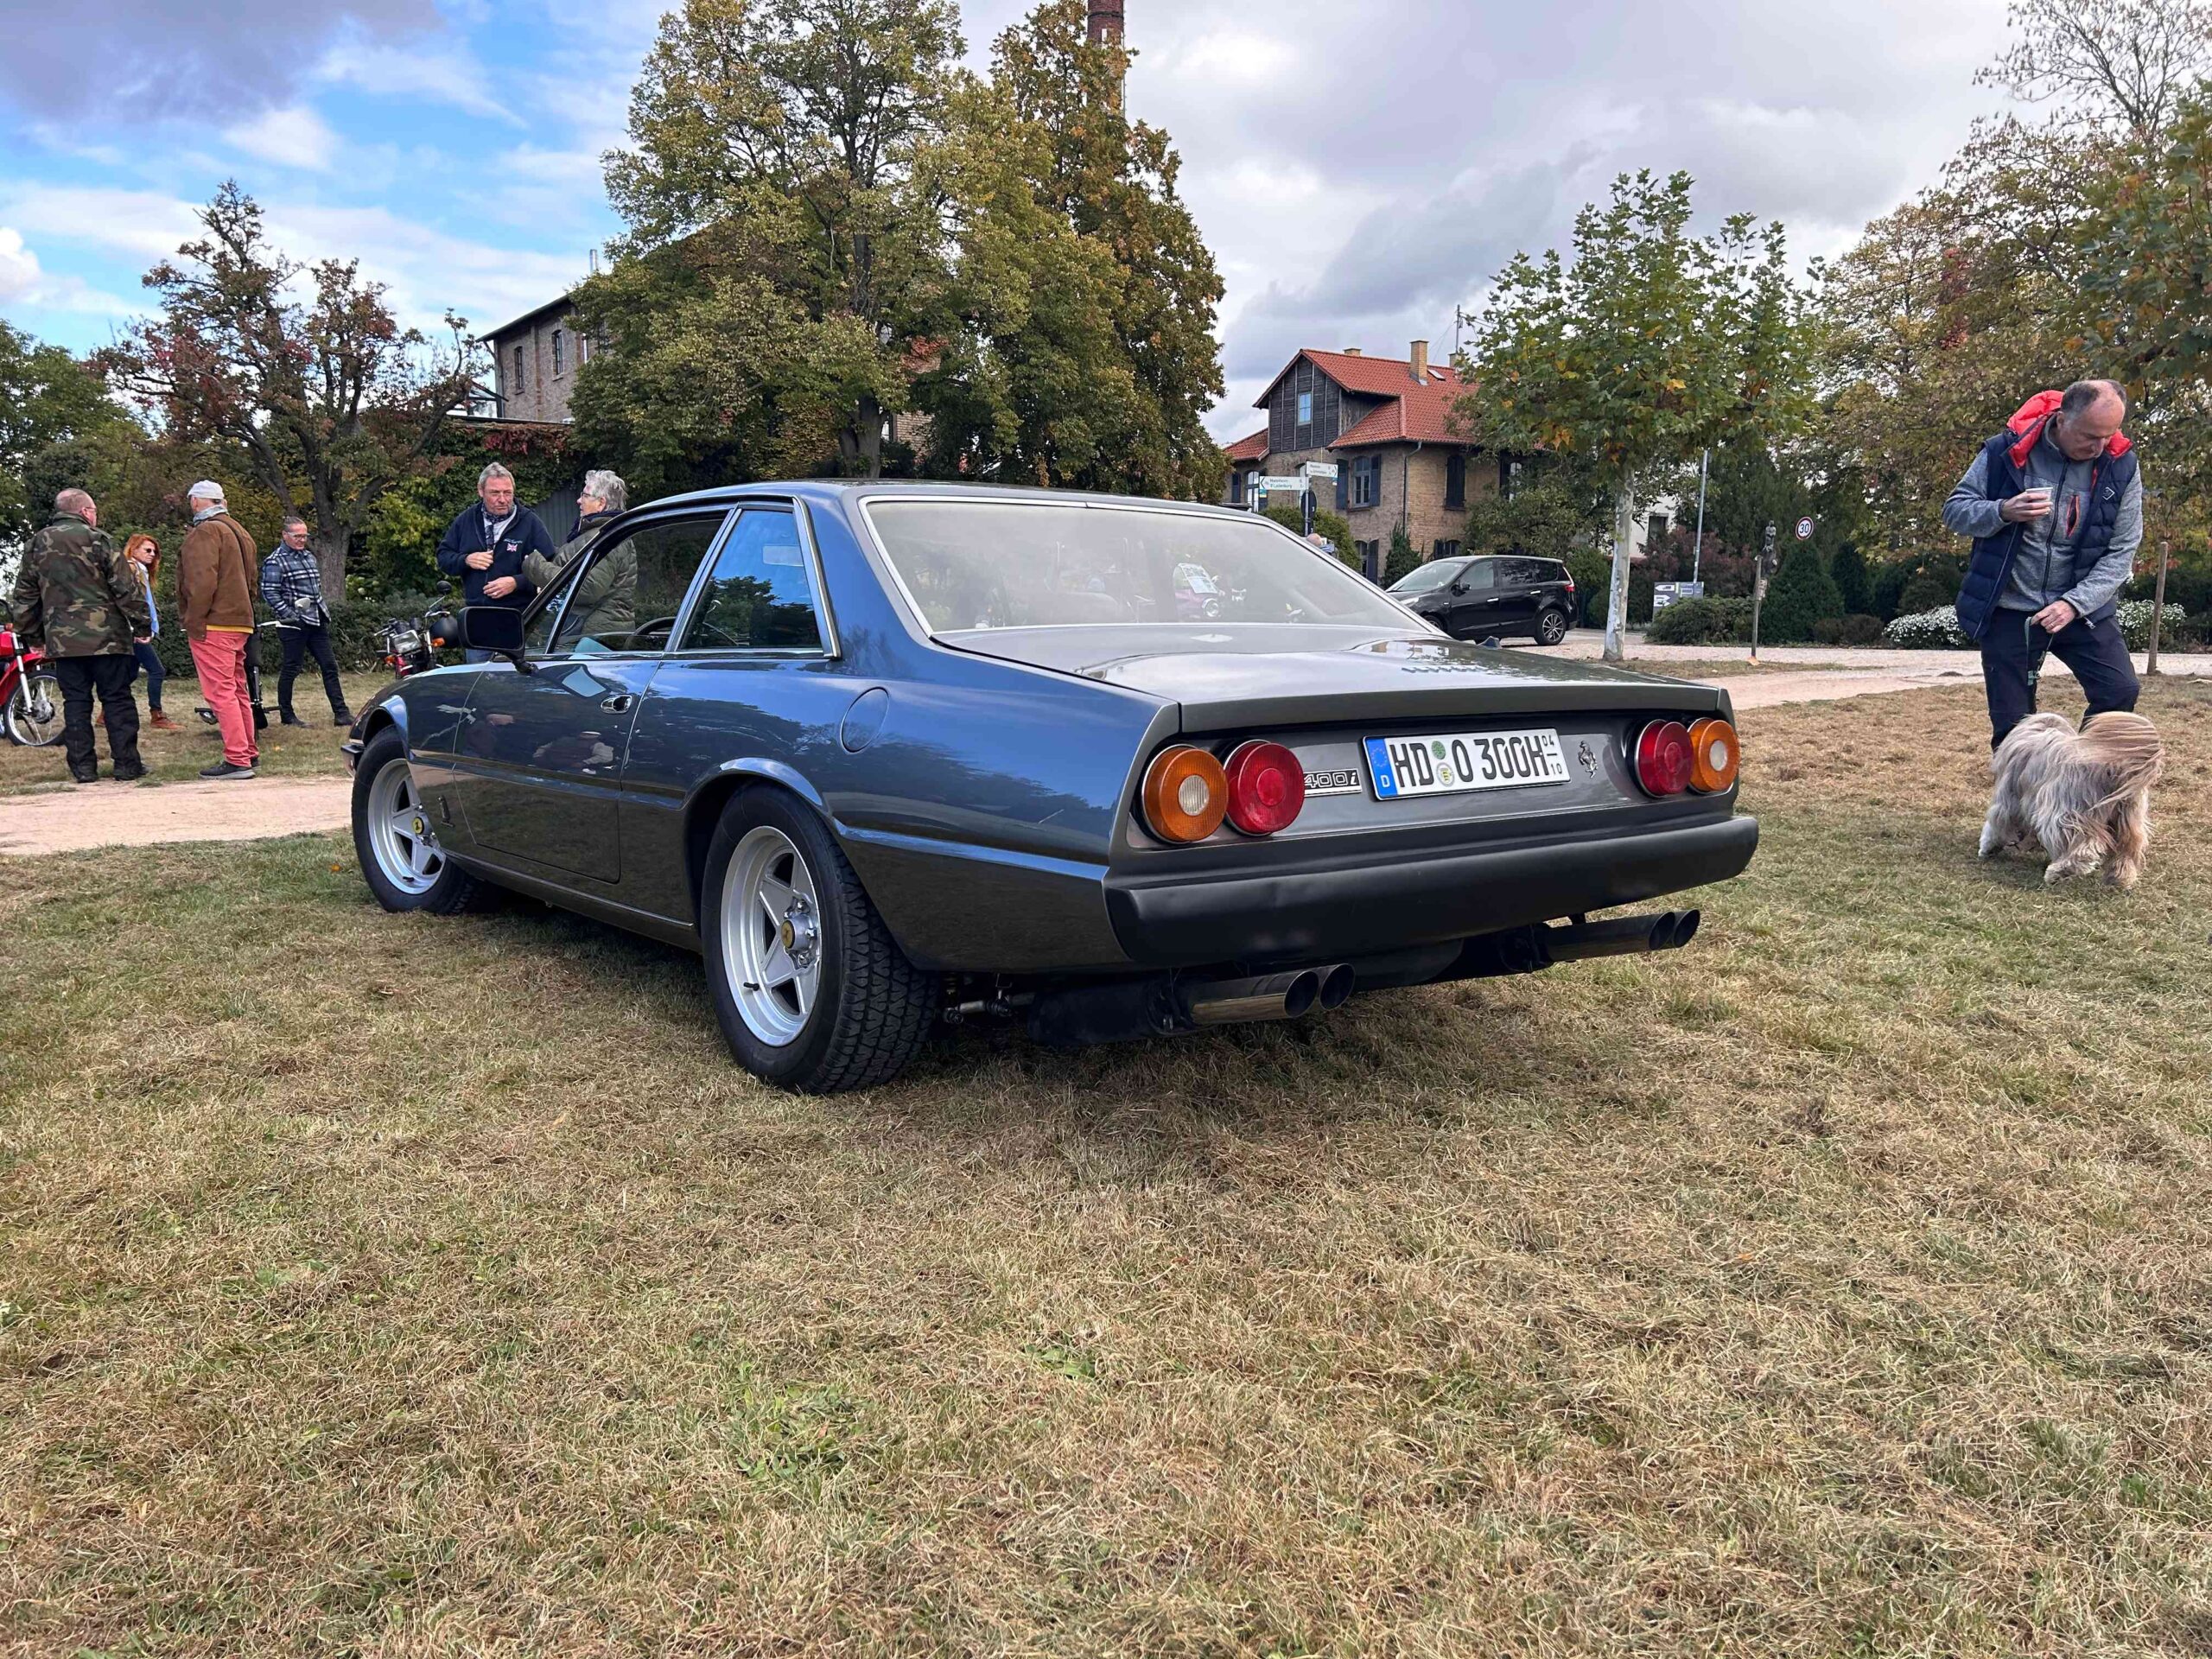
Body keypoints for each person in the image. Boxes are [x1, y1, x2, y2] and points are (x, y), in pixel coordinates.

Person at [1943, 379, 2143, 749]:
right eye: (2090, 436)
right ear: (2061, 419)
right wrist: (2002, 510)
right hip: (2010, 609)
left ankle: (2084, 774)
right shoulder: (2005, 450)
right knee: (2013, 727)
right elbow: (1955, 510)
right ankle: (2021, 787)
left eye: (2108, 436)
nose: (2099, 447)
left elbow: (2122, 551)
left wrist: (2073, 604)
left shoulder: (2122, 466)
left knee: (2119, 690)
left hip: (2081, 609)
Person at [8, 489, 150, 783]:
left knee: (75, 703)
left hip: (63, 641)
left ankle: (83, 768)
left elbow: (25, 596)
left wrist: (34, 636)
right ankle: (127, 765)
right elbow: (125, 588)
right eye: (94, 510)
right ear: (85, 511)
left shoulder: (36, 544)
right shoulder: (98, 539)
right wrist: (142, 626)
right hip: (107, 638)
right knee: (117, 699)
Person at [177, 479, 260, 779]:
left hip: (215, 622)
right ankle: (248, 751)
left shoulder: (206, 531)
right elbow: (252, 580)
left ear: (196, 501)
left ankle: (237, 758)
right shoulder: (239, 531)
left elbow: (201, 582)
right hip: (240, 620)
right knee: (237, 689)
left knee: (220, 692)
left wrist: (194, 619)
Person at [435, 462, 553, 658]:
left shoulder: (529, 522)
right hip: (477, 623)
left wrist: (516, 582)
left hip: (519, 621)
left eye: (508, 493)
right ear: (480, 491)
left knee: (516, 675)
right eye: (495, 493)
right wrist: (466, 560)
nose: (502, 499)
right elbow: (443, 557)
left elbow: (551, 567)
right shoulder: (466, 520)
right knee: (479, 675)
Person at [520, 468, 634, 645]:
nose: (579, 500)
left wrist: (536, 567)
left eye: (585, 495)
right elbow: (578, 567)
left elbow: (587, 590)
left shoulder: (606, 537)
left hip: (591, 641)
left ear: (601, 503)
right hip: (589, 634)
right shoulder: (597, 534)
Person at [260, 516, 353, 728]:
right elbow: (269, 592)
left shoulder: (309, 556)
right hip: (293, 624)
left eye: (304, 536)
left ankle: (341, 714)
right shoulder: (275, 561)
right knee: (292, 668)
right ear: (285, 535)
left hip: (316, 620)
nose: (302, 540)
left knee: (329, 665)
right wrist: (288, 614)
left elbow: (315, 589)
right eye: (297, 536)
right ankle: (287, 714)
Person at [122, 534, 177, 730]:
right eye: (147, 550)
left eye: (155, 552)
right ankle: (157, 715)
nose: (152, 554)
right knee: (157, 670)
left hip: (135, 631)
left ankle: (106, 712)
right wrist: (139, 628)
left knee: (129, 674)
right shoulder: (131, 569)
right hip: (135, 632)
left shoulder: (140, 571)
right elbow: (131, 602)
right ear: (134, 549)